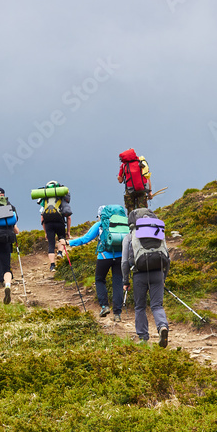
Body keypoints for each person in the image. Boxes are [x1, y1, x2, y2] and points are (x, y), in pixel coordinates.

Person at [61, 205, 127, 321]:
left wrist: (68, 242)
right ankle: (117, 314)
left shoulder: (100, 224)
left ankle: (104, 306)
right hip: (120, 257)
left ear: (101, 215)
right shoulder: (122, 225)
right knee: (118, 283)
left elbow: (85, 239)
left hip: (104, 257)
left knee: (100, 279)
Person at [121, 208, 170, 347]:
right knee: (157, 305)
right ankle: (162, 327)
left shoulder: (129, 236)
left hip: (139, 275)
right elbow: (168, 257)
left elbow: (124, 262)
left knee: (140, 307)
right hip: (158, 273)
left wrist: (126, 281)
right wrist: (163, 277)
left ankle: (143, 338)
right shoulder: (158, 232)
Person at [34, 181, 72, 272]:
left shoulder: (45, 201)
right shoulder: (61, 199)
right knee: (61, 238)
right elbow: (69, 217)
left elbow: (42, 218)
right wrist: (68, 231)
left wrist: (45, 232)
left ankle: (52, 265)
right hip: (60, 222)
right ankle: (59, 252)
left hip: (48, 223)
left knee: (51, 244)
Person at [117, 148, 152, 213]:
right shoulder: (141, 162)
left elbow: (120, 180)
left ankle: (132, 222)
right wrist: (150, 192)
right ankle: (142, 221)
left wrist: (119, 177)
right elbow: (147, 177)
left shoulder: (124, 165)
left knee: (131, 212)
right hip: (142, 189)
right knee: (142, 211)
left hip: (130, 191)